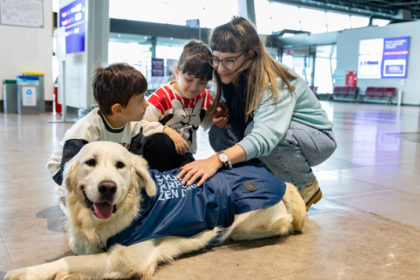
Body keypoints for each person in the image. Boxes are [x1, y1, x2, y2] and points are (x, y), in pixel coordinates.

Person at [176, 17, 337, 211]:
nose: (219, 67)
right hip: (282, 135)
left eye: (229, 60)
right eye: (216, 59)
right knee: (219, 133)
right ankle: (260, 183)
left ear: (250, 54)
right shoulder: (232, 73)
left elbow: (265, 136)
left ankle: (305, 186)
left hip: (316, 139)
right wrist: (224, 107)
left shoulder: (272, 80)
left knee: (258, 133)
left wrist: (216, 160)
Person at [47, 63, 149, 186]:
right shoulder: (87, 129)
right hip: (62, 168)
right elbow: (69, 168)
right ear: (117, 110)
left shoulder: (134, 125)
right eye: (140, 100)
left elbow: (134, 161)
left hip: (104, 165)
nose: (147, 103)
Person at [142, 41, 214, 172]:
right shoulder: (162, 97)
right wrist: (167, 131)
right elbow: (140, 124)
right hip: (157, 153)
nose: (194, 87)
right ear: (177, 72)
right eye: (189, 79)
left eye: (202, 82)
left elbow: (208, 123)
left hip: (183, 154)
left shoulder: (205, 97)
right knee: (159, 141)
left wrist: (220, 116)